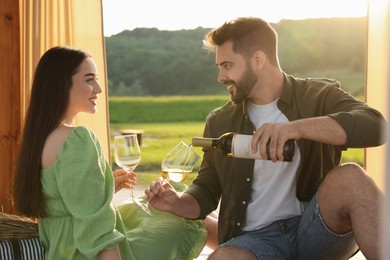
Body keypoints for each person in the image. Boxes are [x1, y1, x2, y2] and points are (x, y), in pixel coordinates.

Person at [146, 17, 387, 259]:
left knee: (351, 176)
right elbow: (206, 189)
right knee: (222, 257)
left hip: (315, 228)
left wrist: (297, 129)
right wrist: (177, 202)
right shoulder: (219, 121)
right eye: (219, 67)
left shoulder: (318, 96)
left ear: (258, 60)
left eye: (227, 65)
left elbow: (375, 126)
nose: (220, 76)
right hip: (256, 241)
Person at [13, 46, 136, 259]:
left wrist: (104, 189)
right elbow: (98, 232)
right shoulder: (78, 140)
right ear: (60, 85)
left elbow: (63, 201)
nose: (98, 88)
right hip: (85, 254)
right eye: (89, 80)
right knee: (176, 221)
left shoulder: (39, 140)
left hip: (58, 253)